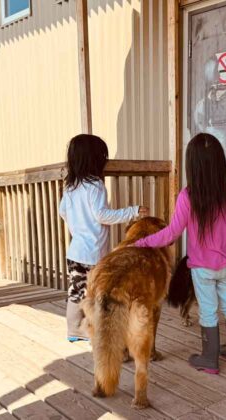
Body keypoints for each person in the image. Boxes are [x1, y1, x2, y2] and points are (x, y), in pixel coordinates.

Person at [135, 133, 226, 374]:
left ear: (192, 164)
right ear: (220, 161)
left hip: (202, 268)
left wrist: (142, 242)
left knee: (208, 310)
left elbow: (171, 234)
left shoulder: (187, 196)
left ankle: (210, 359)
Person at [59, 134, 148, 342]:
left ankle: (74, 329)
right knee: (98, 293)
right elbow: (102, 215)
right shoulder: (95, 185)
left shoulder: (71, 186)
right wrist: (133, 211)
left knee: (77, 292)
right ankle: (93, 330)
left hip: (75, 252)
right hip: (92, 253)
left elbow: (62, 211)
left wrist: (77, 226)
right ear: (95, 160)